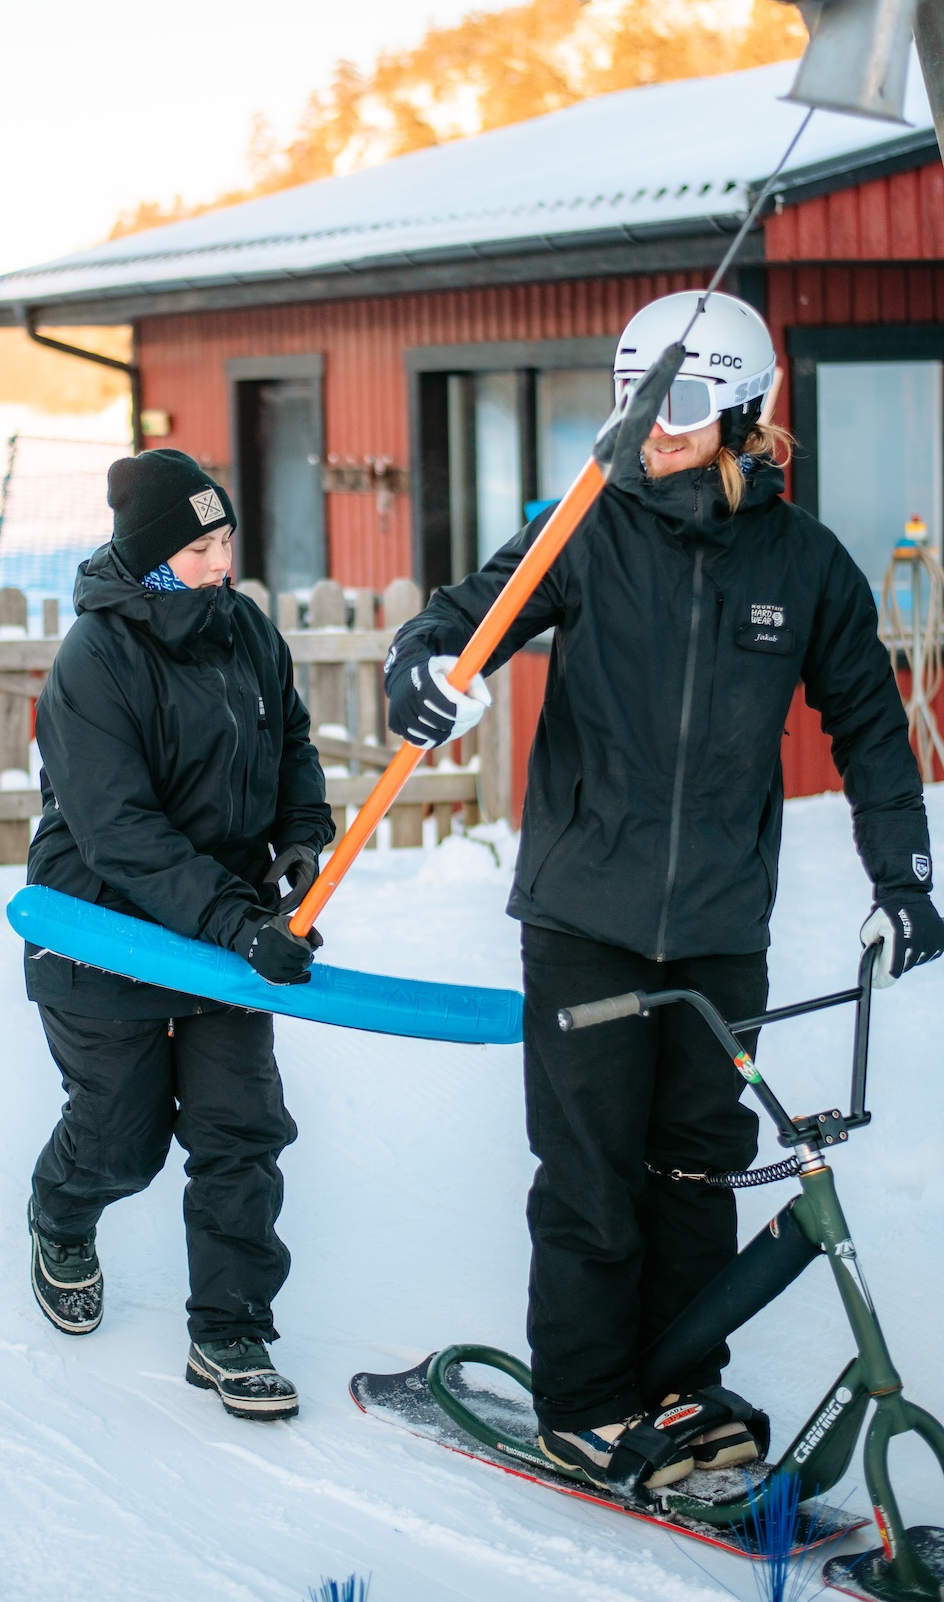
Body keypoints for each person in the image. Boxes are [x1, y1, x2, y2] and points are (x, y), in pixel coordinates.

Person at [384, 290, 943, 1494]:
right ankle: (583, 1404)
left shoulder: (802, 565)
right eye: (634, 396)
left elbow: (870, 732)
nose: (650, 426)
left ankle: (682, 1380)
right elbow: (463, 617)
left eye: (680, 402)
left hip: (715, 930)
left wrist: (901, 876)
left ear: (745, 413)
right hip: (584, 915)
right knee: (588, 1173)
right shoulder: (581, 526)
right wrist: (418, 664)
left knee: (696, 1166)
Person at [22, 447, 333, 1420]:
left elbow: (287, 740)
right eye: (201, 544)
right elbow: (121, 834)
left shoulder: (244, 629)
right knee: (121, 1144)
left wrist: (298, 839)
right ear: (155, 556)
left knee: (238, 1133)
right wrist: (242, 923)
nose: (222, 559)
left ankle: (229, 1331)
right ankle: (61, 1215)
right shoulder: (94, 662)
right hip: (103, 931)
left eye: (226, 536)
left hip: (222, 929)